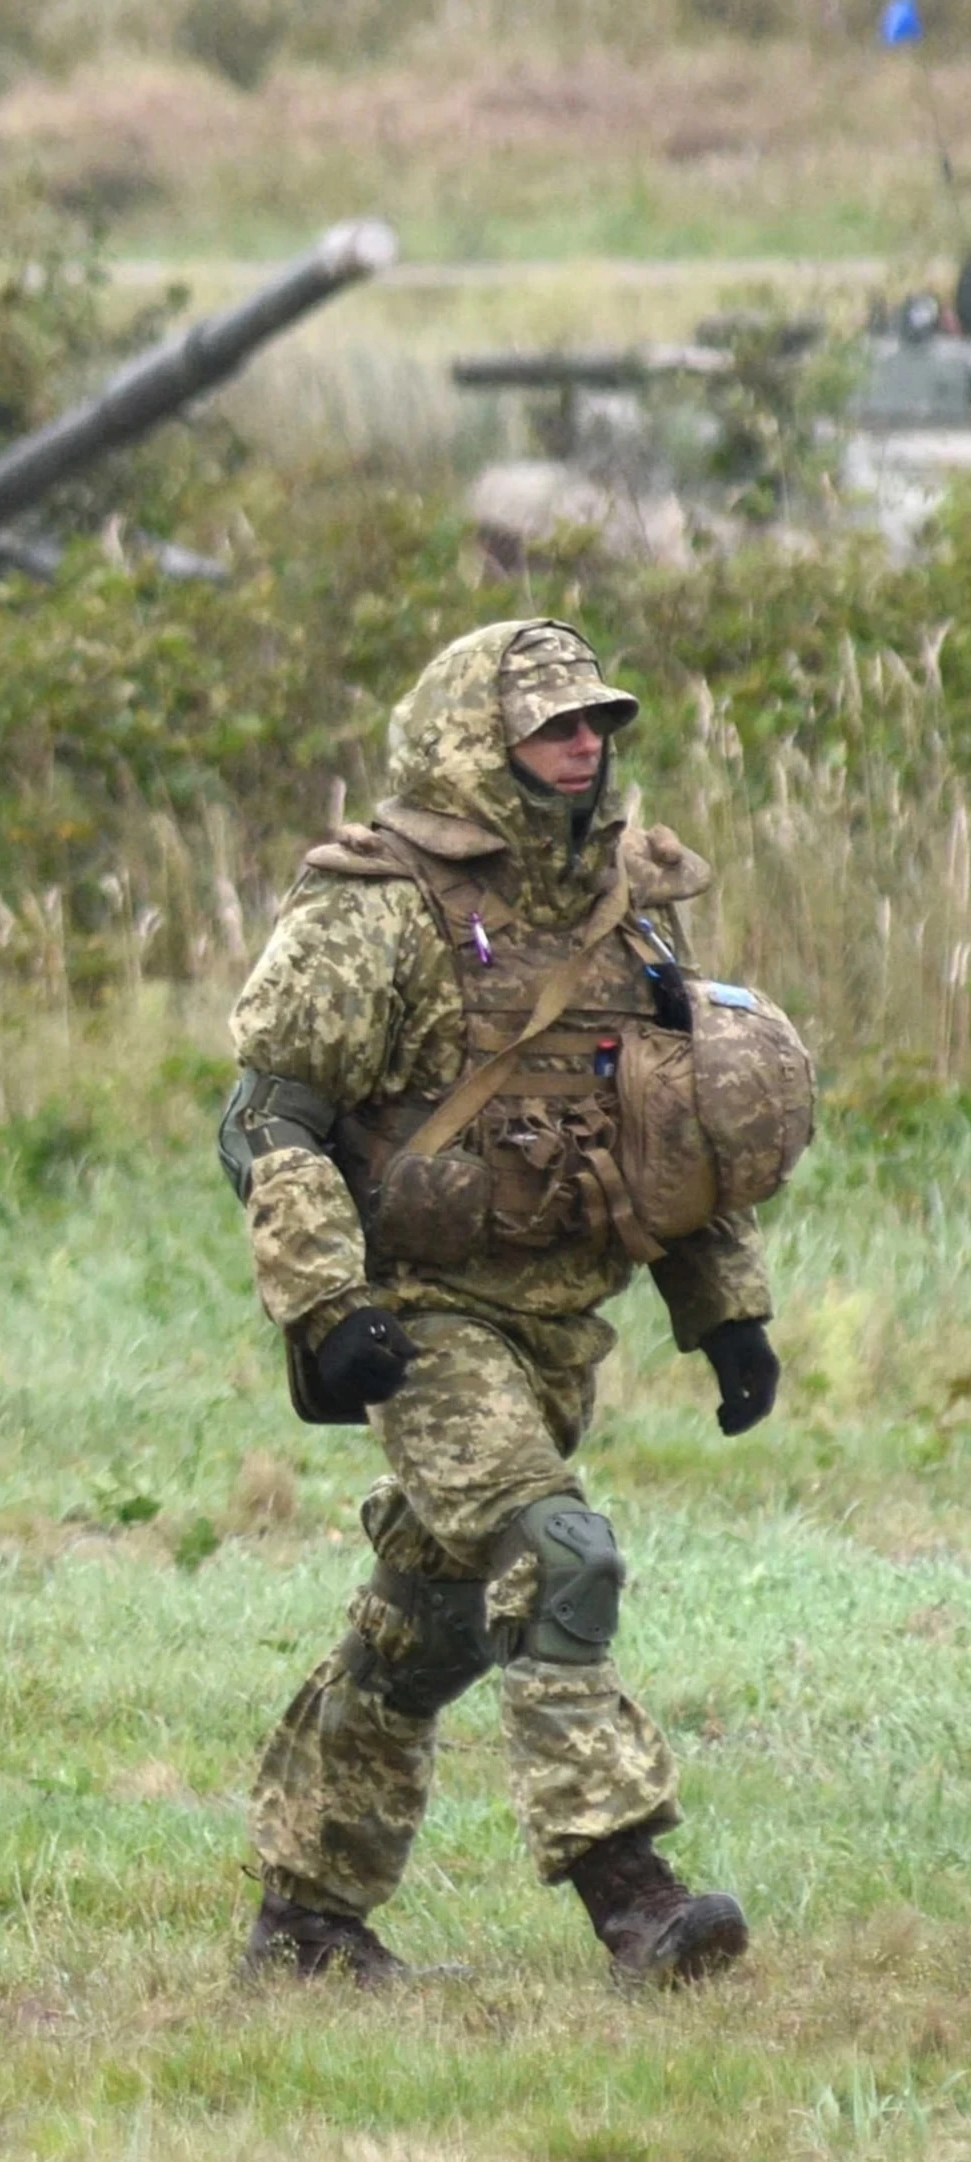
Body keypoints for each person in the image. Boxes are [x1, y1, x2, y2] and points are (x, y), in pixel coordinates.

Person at [221, 618, 803, 1986]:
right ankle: (631, 1888)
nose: (582, 746)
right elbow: (270, 1118)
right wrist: (326, 1302)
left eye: (595, 721)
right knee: (564, 1553)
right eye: (550, 725)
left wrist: (726, 1310)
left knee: (417, 1634)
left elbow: (673, 1130)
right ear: (472, 745)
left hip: (557, 1329)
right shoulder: (379, 906)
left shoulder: (629, 911)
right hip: (421, 1316)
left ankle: (303, 1921)